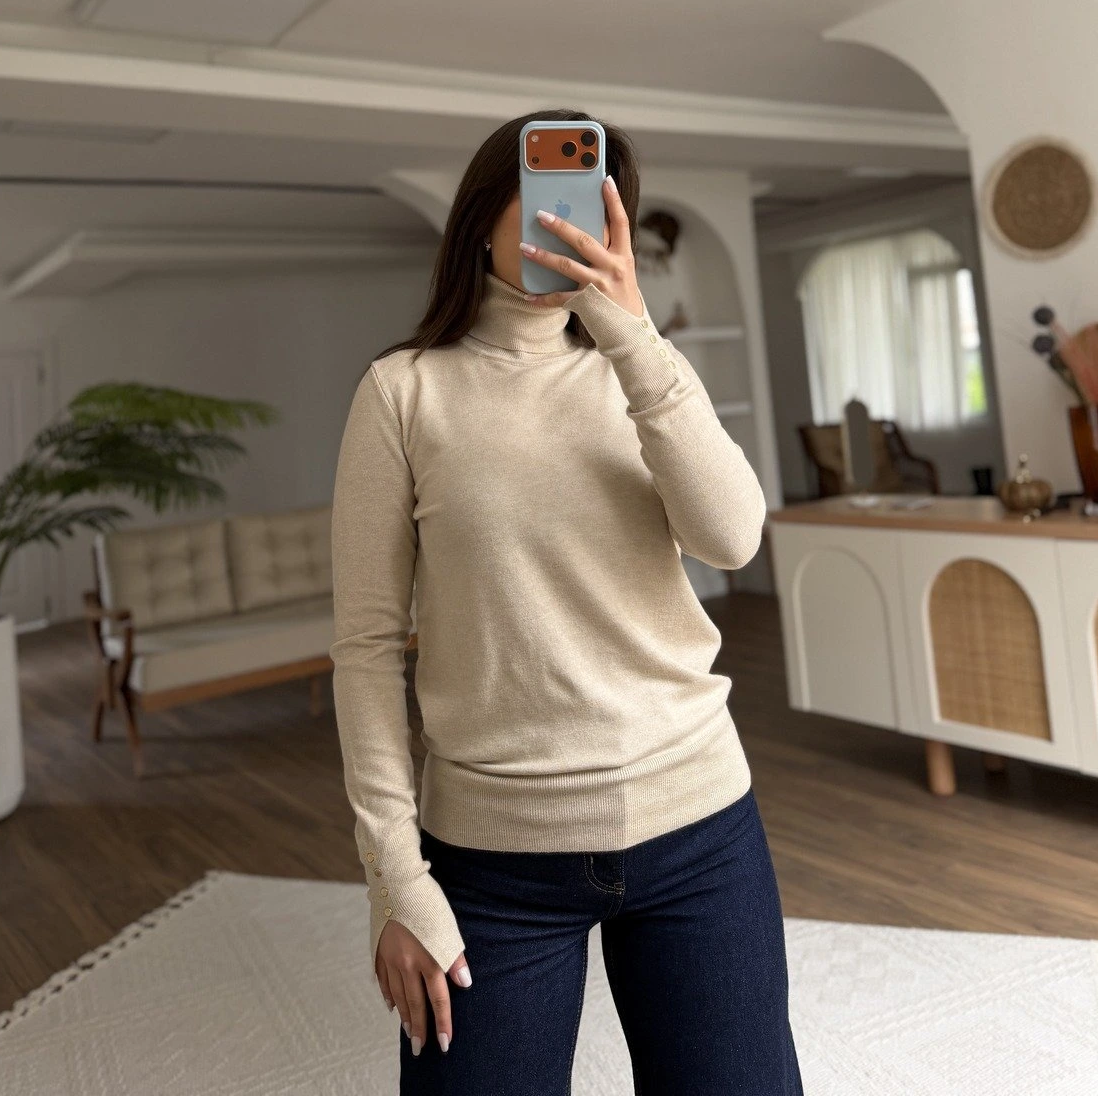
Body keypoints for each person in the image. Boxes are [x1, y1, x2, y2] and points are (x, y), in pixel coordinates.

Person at [329, 107, 805, 1094]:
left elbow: (732, 537)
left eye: (594, 198)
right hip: (493, 858)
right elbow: (367, 648)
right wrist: (394, 878)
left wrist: (631, 332)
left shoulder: (647, 373)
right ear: (482, 216)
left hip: (701, 825)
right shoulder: (402, 392)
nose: (572, 218)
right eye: (549, 193)